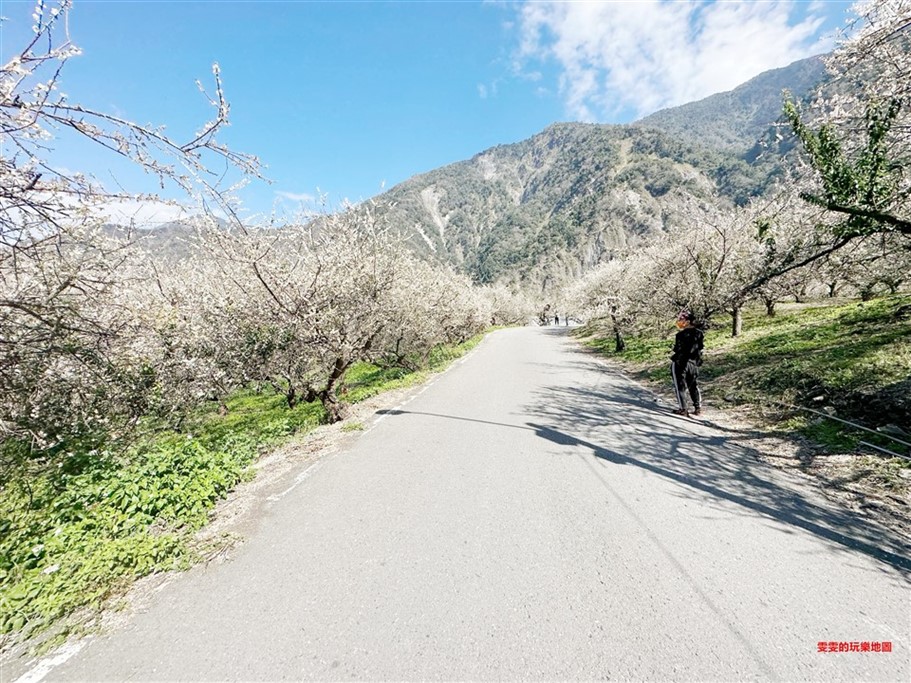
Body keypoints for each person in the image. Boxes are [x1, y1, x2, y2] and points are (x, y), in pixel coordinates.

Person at [670, 310, 704, 416]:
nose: (679, 322)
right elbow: (700, 347)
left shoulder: (680, 335)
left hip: (680, 363)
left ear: (688, 321)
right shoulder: (699, 333)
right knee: (693, 384)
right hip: (694, 363)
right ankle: (697, 407)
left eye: (681, 320)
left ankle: (683, 408)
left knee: (680, 386)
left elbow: (677, 349)